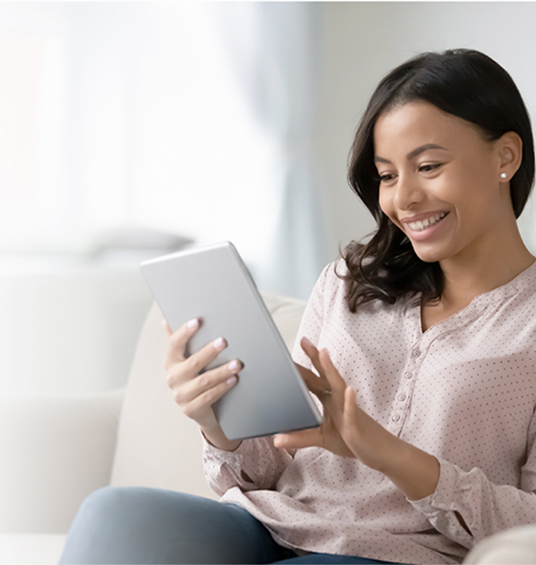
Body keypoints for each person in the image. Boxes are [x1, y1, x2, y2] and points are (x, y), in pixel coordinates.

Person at [57, 49, 536, 565]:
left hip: (394, 554)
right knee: (116, 514)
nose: (404, 199)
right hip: (267, 526)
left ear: (505, 157)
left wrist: (388, 454)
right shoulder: (349, 284)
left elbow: (526, 523)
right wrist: (217, 420)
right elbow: (270, 464)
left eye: (427, 166)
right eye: (388, 176)